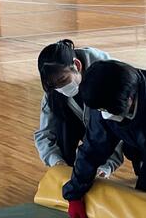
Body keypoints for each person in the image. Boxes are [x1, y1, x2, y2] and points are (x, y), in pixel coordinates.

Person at [62, 60, 146, 218]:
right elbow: (93, 148)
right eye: (102, 110)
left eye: (109, 110)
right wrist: (75, 193)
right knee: (143, 199)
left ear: (130, 98)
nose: (105, 114)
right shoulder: (102, 100)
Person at [34, 39, 123, 178]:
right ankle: (67, 169)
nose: (60, 88)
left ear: (77, 65)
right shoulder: (53, 88)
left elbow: (118, 125)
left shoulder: (107, 75)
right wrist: (56, 162)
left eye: (63, 80)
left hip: (122, 126)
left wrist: (107, 165)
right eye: (54, 85)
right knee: (60, 123)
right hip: (83, 124)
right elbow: (45, 133)